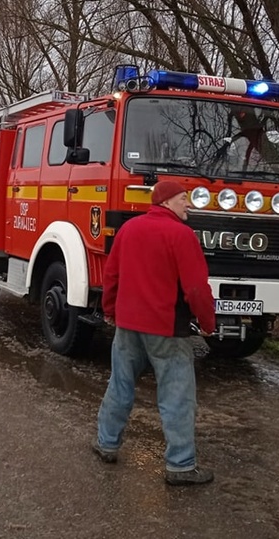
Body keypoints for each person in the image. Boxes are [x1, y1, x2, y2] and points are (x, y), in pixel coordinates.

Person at [93, 180, 217, 486]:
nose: (188, 204)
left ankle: (106, 443)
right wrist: (207, 322)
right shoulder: (181, 235)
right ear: (166, 202)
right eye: (183, 199)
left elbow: (112, 275)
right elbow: (196, 287)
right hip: (166, 329)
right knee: (177, 396)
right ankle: (181, 465)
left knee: (120, 385)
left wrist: (110, 310)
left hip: (128, 325)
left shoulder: (129, 230)